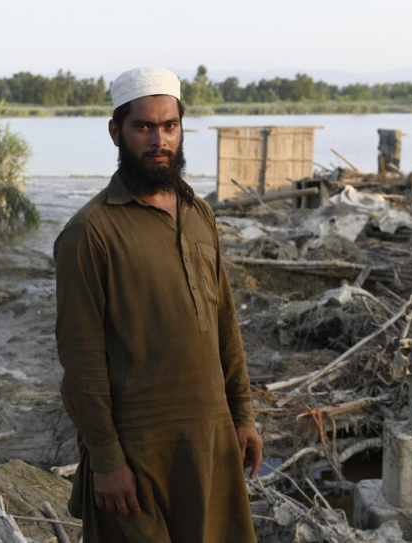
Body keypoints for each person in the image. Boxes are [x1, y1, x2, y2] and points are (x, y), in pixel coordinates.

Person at [54, 66, 263, 543]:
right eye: (143, 127)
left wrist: (243, 416)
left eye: (169, 126)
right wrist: (106, 461)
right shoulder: (90, 233)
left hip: (211, 442)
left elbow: (225, 322)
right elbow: (81, 359)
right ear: (116, 132)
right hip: (138, 453)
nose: (158, 140)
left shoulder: (198, 213)